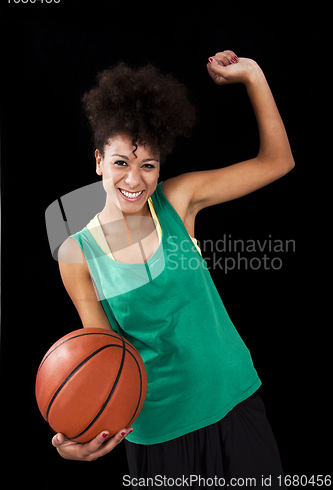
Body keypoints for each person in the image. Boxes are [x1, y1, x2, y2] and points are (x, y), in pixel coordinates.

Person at [52, 50, 294, 487]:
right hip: (159, 432)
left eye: (149, 165)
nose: (134, 180)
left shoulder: (177, 202)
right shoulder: (76, 254)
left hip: (235, 401)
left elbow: (277, 162)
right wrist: (74, 431)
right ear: (98, 162)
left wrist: (254, 76)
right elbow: (105, 360)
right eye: (121, 162)